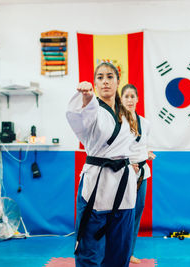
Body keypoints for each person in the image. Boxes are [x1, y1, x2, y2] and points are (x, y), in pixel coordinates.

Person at [66, 62, 139, 267]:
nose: (105, 81)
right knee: (89, 247)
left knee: (120, 248)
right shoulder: (92, 108)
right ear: (95, 83)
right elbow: (80, 120)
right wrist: (87, 98)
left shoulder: (126, 114)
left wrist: (131, 164)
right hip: (97, 184)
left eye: (109, 76)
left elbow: (128, 144)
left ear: (117, 81)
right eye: (99, 77)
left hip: (123, 186)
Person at [121, 83, 156, 264]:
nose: (129, 100)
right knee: (121, 214)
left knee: (137, 212)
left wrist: (146, 154)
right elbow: (114, 148)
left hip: (142, 172)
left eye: (132, 96)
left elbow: (141, 145)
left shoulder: (145, 123)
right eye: (126, 96)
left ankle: (129, 252)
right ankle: (116, 252)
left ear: (137, 99)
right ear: (121, 99)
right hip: (123, 173)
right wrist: (128, 163)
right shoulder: (118, 121)